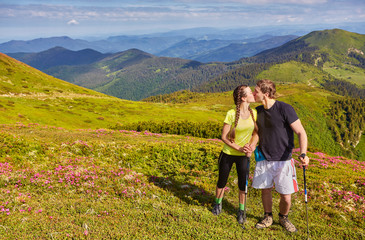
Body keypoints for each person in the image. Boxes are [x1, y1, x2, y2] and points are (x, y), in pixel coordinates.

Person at [245, 79, 310, 233]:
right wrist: (252, 146)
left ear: (266, 94)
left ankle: (283, 217)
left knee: (286, 196)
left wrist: (303, 153)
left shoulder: (285, 109)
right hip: (264, 158)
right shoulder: (258, 112)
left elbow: (301, 132)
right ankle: (268, 216)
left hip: (284, 160)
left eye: (256, 91)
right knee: (265, 190)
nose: (253, 94)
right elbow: (257, 133)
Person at [211, 84, 257, 224]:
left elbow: (256, 133)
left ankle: (241, 210)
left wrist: (252, 147)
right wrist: (239, 147)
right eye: (250, 93)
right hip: (228, 154)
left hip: (244, 156)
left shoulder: (254, 113)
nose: (253, 94)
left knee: (243, 184)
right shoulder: (231, 114)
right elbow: (224, 137)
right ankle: (218, 203)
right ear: (243, 98)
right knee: (222, 181)